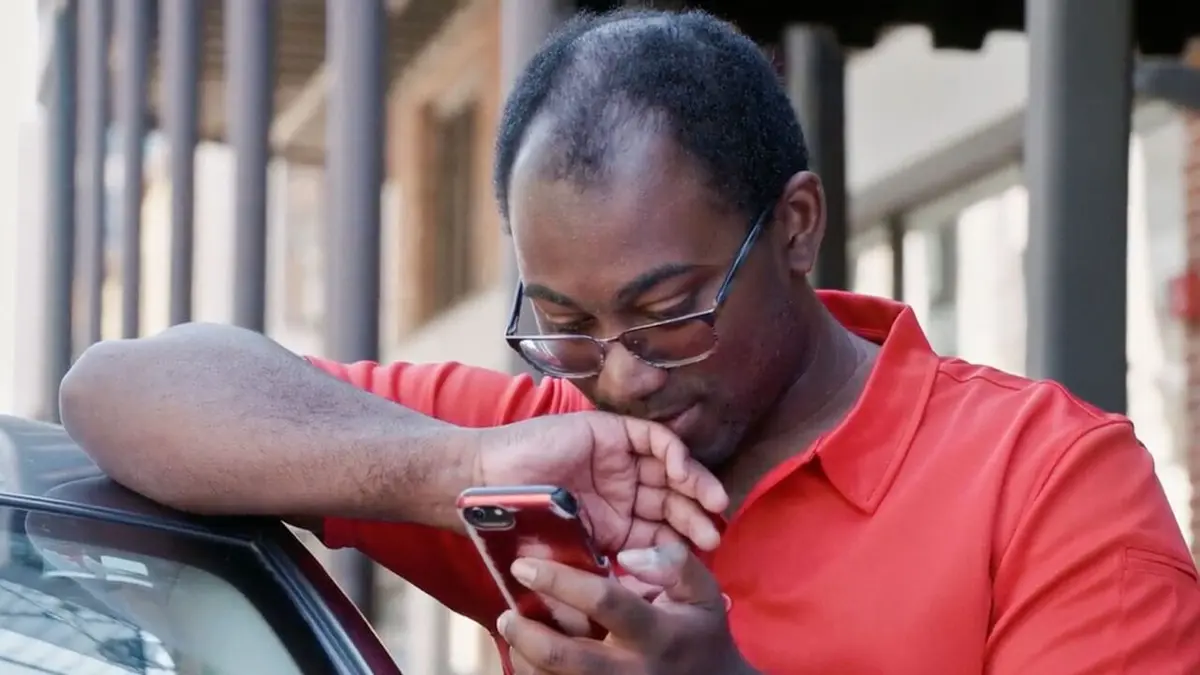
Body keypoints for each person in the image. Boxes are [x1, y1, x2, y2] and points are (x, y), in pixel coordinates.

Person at [59, 8, 1200, 675]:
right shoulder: (549, 451)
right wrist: (455, 473)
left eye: (668, 310)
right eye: (564, 324)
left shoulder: (1051, 486)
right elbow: (121, 390)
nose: (620, 373)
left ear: (796, 228)